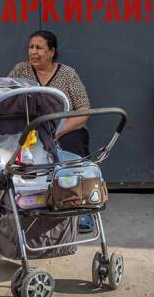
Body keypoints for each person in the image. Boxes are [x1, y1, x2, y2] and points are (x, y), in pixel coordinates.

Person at [8, 30, 95, 233]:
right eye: (31, 47)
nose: (34, 52)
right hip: (30, 130)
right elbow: (5, 98)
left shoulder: (67, 74)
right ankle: (27, 205)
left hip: (64, 129)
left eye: (39, 48)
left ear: (51, 51)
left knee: (74, 152)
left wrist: (59, 132)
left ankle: (81, 211)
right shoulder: (21, 70)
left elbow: (84, 110)